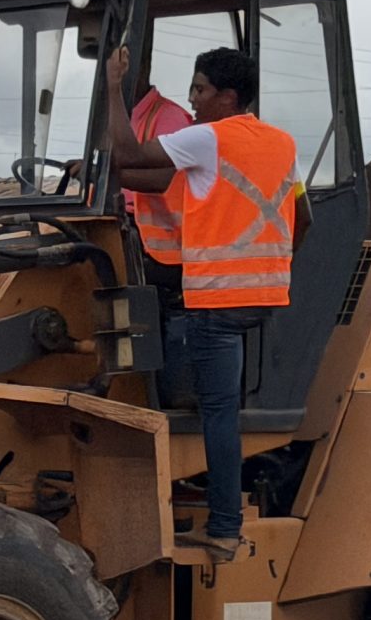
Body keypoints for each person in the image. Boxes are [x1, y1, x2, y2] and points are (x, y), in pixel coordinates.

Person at [102, 43, 298, 561]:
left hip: (216, 300)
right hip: (263, 294)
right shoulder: (281, 143)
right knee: (221, 405)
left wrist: (114, 88)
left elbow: (128, 155)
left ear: (227, 97)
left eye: (200, 89)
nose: (191, 100)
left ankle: (225, 527)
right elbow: (302, 217)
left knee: (218, 412)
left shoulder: (208, 138)